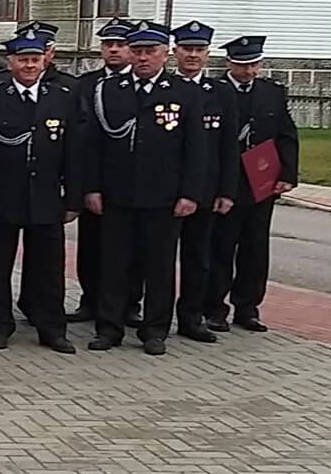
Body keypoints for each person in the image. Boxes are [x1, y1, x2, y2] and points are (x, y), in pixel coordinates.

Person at [76, 21, 208, 355]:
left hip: (163, 197)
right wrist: (91, 188)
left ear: (165, 54)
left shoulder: (185, 92)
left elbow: (195, 149)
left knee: (159, 267)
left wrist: (190, 193)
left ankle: (154, 331)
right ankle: (109, 328)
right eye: (138, 51)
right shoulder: (109, 90)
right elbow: (93, 144)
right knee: (114, 264)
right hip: (117, 193)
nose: (143, 58)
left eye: (151, 51)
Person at [0, 33, 79, 353]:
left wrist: (73, 199)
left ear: (45, 61)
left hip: (46, 195)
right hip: (1, 195)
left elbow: (74, 152)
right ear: (10, 62)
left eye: (35, 59)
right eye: (22, 59)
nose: (29, 65)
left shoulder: (62, 97)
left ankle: (51, 327)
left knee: (49, 267)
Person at [208, 35, 298, 333]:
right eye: (241, 65)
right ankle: (214, 308)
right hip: (226, 182)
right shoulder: (215, 91)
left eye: (253, 65)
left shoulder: (272, 93)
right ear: (229, 63)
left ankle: (248, 307)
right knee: (220, 247)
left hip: (261, 181)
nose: (247, 71)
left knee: (255, 248)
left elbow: (286, 134)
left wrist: (287, 175)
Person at [170, 21, 238, 344]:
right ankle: (147, 312)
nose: (192, 55)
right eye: (187, 49)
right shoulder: (163, 87)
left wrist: (226, 190)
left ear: (207, 54)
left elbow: (228, 147)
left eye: (199, 50)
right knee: (157, 259)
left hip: (206, 191)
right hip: (166, 190)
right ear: (175, 52)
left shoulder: (221, 93)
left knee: (199, 258)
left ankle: (192, 317)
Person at [66, 19, 135, 325]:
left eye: (120, 44)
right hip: (94, 178)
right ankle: (90, 300)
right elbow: (80, 138)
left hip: (131, 182)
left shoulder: (143, 85)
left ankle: (130, 303)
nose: (114, 50)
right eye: (109, 45)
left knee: (132, 248)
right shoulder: (85, 84)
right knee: (92, 245)